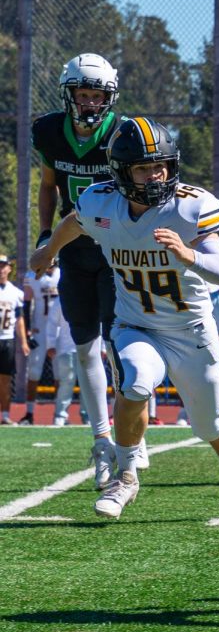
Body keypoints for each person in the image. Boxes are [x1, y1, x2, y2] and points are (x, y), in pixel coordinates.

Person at [31, 116, 219, 523]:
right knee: (134, 383)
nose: (155, 175)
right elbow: (75, 222)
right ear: (121, 170)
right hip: (136, 324)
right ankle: (126, 475)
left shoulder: (190, 208)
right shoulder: (102, 202)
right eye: (143, 167)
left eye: (161, 166)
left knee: (208, 425)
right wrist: (49, 249)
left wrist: (188, 255)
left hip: (191, 330)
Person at [32, 54, 122, 477]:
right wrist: (46, 235)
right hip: (73, 249)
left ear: (109, 97)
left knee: (117, 343)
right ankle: (102, 440)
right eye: (82, 94)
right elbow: (49, 185)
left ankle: (128, 438)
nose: (88, 102)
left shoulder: (124, 133)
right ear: (69, 95)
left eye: (96, 95)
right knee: (84, 344)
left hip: (117, 249)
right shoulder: (50, 131)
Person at [20, 260, 62, 424]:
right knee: (34, 372)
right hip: (40, 329)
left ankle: (59, 413)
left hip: (59, 331)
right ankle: (30, 413)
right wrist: (29, 329)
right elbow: (27, 302)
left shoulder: (63, 273)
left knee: (61, 374)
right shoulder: (32, 276)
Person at [0, 256, 30, 425]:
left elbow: (19, 319)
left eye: (4, 266)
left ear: (9, 269)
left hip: (7, 339)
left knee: (5, 380)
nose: (1, 270)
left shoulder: (16, 293)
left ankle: (5, 414)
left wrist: (24, 342)